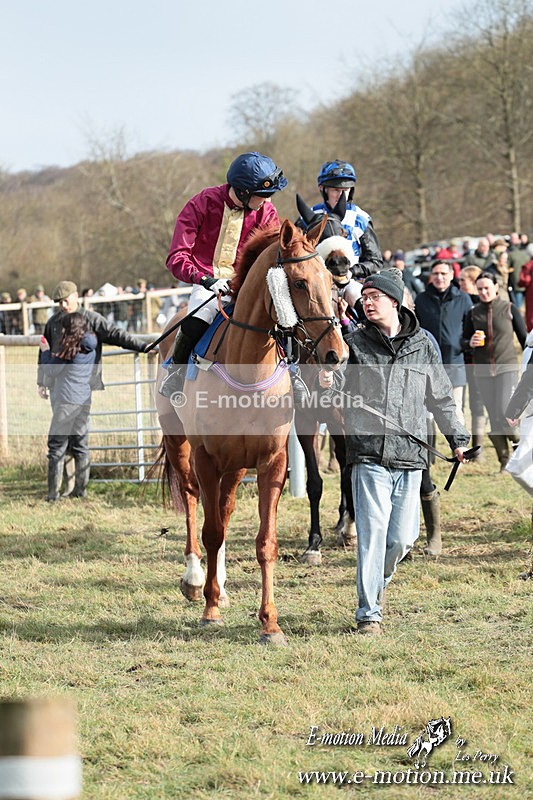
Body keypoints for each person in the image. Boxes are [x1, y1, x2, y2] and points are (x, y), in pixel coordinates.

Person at [323, 268, 469, 634]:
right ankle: (368, 614)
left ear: (394, 301)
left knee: (403, 538)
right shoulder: (354, 344)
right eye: (364, 298)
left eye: (374, 297)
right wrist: (326, 378)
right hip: (369, 454)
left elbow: (441, 398)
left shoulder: (423, 345)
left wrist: (458, 437)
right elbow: (335, 385)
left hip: (412, 454)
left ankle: (376, 584)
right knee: (372, 537)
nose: (367, 303)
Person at [160, 151, 287, 397]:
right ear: (242, 192)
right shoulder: (201, 203)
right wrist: (205, 280)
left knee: (286, 318)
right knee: (197, 318)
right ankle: (176, 373)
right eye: (261, 196)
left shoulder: (267, 212)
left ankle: (297, 376)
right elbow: (176, 257)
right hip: (207, 282)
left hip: (248, 285)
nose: (266, 201)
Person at [37, 281, 150, 493]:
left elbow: (116, 334)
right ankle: (77, 489)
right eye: (59, 302)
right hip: (69, 390)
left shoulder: (91, 320)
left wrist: (142, 346)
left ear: (75, 296)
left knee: (62, 442)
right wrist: (41, 381)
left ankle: (58, 492)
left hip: (70, 390)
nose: (63, 305)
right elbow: (45, 348)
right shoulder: (53, 322)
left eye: (65, 300)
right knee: (77, 440)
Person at [463, 271, 526, 471]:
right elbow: (463, 341)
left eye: (487, 288)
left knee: (504, 411)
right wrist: (470, 342)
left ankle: (520, 446)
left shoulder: (509, 309)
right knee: (493, 414)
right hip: (482, 371)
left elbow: (525, 339)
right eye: (480, 288)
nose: (483, 292)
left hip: (507, 368)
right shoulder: (473, 312)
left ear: (496, 287)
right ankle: (504, 462)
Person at [39, 312, 97, 501]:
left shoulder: (69, 349)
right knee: (81, 446)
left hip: (65, 402)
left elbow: (51, 369)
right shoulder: (90, 345)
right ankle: (81, 492)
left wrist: (46, 351)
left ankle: (53, 495)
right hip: (83, 401)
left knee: (56, 448)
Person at [414, 260, 473, 423]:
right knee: (428, 414)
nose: (439, 277)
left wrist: (464, 345)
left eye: (443, 273)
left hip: (455, 362)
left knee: (456, 409)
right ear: (430, 276)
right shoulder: (421, 300)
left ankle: (460, 447)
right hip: (428, 364)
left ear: (451, 275)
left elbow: (470, 330)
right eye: (436, 274)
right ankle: (428, 448)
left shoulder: (464, 299)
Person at [310, 159, 383, 275]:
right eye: (336, 190)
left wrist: (351, 272)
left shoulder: (361, 219)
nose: (341, 195)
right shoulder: (309, 216)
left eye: (345, 190)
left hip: (351, 280)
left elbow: (375, 262)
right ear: (323, 189)